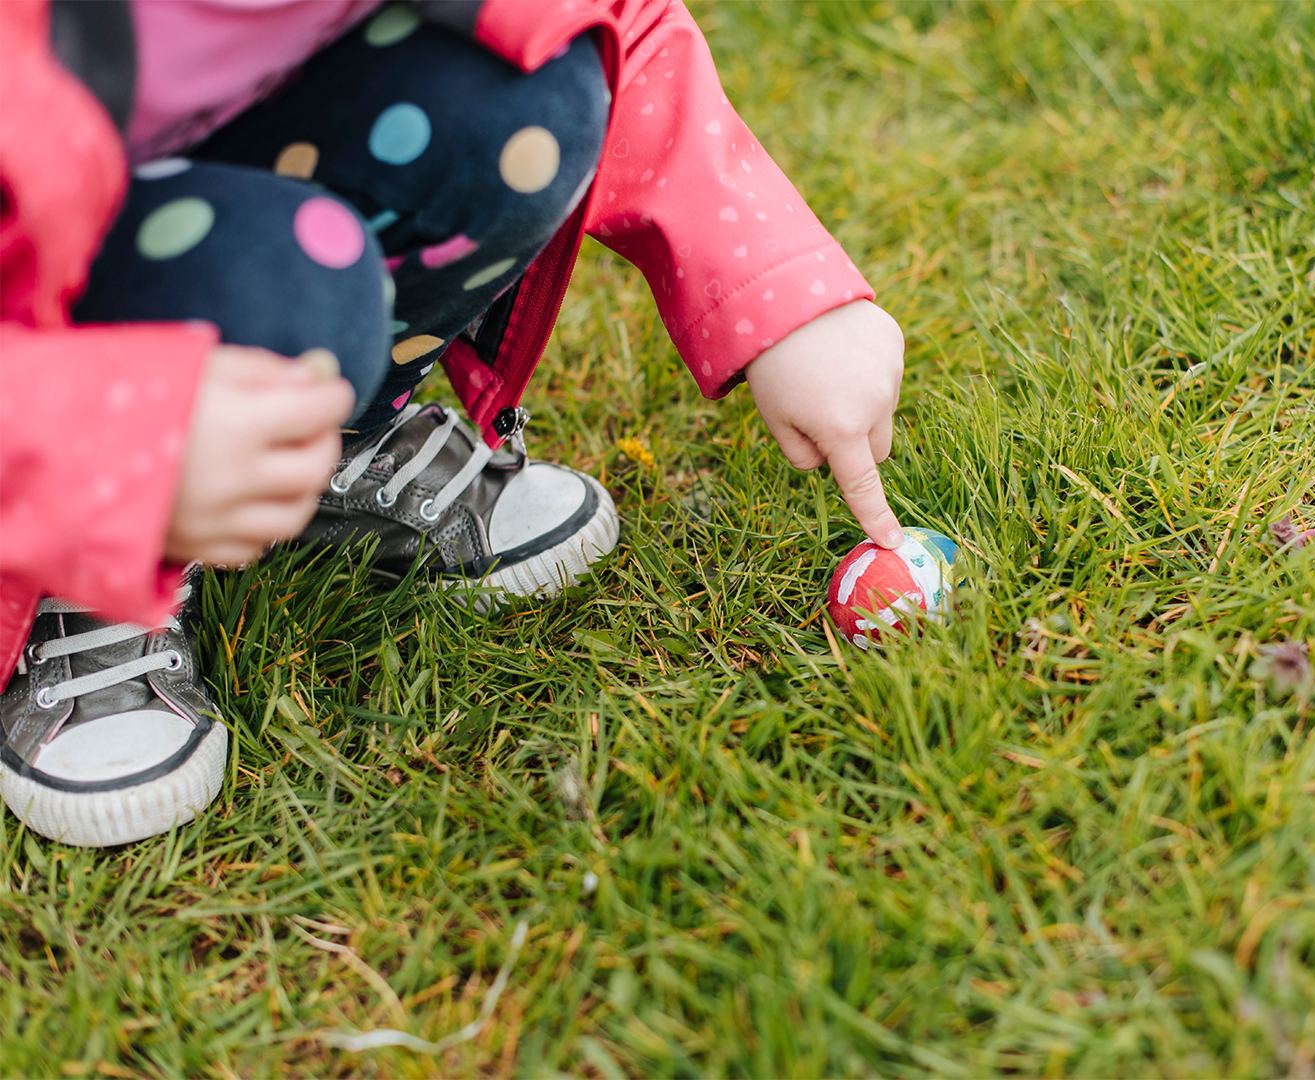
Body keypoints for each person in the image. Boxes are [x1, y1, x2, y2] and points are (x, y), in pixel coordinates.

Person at [0, 0, 906, 847]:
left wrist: (781, 295)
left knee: (523, 99)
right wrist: (103, 446)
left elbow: (607, 21)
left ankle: (320, 448)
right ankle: (67, 568)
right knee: (280, 281)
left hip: (205, 174)